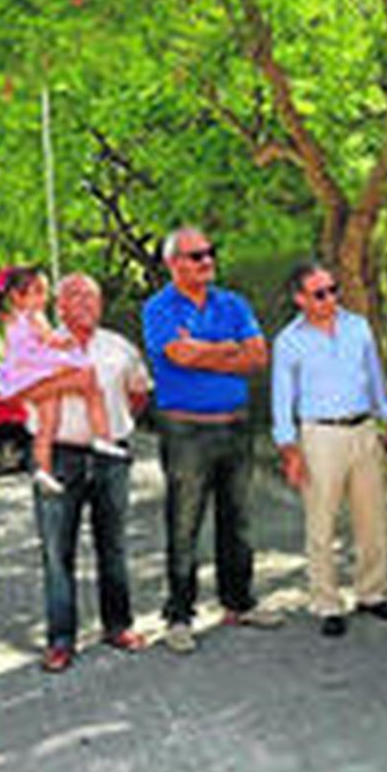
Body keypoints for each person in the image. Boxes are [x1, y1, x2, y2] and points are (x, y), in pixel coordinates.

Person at [142, 227, 277, 654]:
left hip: (236, 426)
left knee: (237, 521)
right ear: (173, 264)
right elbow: (178, 355)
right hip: (186, 431)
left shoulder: (233, 303)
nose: (207, 261)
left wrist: (204, 351)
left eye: (209, 252)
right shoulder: (158, 308)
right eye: (196, 255)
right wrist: (229, 350)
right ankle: (179, 616)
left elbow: (259, 356)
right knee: (184, 525)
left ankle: (239, 602)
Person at [271, 262, 387, 638]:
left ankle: (371, 592)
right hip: (320, 436)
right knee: (321, 524)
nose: (330, 298)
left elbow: (373, 375)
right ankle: (327, 602)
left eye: (333, 289)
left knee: (372, 518)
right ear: (300, 299)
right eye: (320, 293)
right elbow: (282, 399)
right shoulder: (288, 341)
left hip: (364, 430)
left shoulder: (358, 327)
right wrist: (289, 449)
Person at [32, 274, 151, 673]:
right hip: (58, 455)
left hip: (110, 456)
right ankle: (61, 640)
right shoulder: (41, 347)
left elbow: (138, 392)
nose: (84, 301)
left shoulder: (120, 347)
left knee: (113, 546)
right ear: (59, 306)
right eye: (74, 295)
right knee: (57, 553)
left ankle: (118, 626)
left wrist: (114, 424)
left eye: (91, 295)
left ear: (101, 304)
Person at [0, 265, 129, 496]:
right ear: (17, 296)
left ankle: (43, 470)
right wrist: (66, 344)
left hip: (23, 373)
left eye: (44, 292)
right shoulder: (35, 316)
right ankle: (102, 436)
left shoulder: (11, 318)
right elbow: (51, 341)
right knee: (89, 379)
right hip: (39, 368)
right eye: (38, 291)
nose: (43, 299)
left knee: (47, 426)